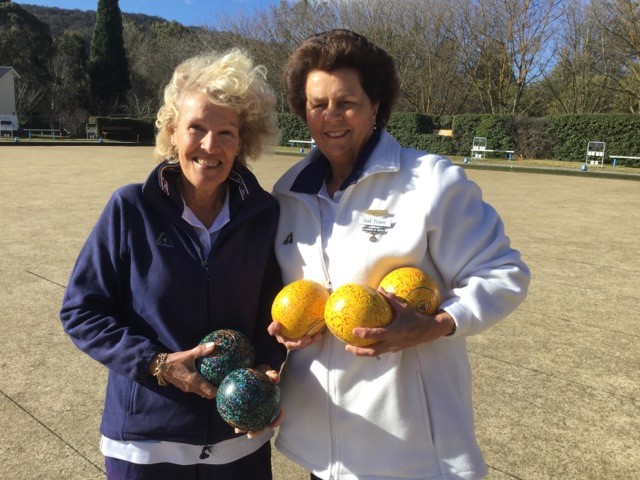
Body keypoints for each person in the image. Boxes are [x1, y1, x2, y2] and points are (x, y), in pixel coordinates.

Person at [268, 29, 531, 480]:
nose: (331, 116)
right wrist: (286, 331)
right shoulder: (289, 193)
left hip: (412, 456)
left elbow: (503, 273)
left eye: (346, 101)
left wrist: (435, 326)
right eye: (317, 104)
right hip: (324, 453)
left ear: (375, 106)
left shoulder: (431, 181)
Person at [60, 49, 286, 480]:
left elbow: (272, 317)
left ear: (243, 142)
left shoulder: (264, 215)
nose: (209, 146)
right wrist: (158, 365)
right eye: (196, 128)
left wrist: (267, 369)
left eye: (226, 133)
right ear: (172, 131)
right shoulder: (130, 208)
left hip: (238, 442)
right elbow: (81, 311)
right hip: (145, 443)